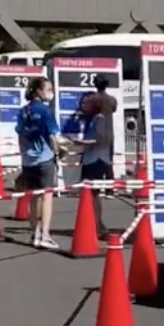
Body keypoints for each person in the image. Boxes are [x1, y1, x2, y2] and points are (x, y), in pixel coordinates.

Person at [16, 75, 61, 250]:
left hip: (28, 160)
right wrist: (60, 151)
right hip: (44, 158)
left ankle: (34, 232)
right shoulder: (45, 111)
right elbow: (53, 135)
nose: (51, 93)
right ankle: (45, 235)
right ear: (39, 91)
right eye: (48, 89)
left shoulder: (23, 111)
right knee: (47, 196)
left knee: (33, 197)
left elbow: (20, 133)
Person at [70, 91, 115, 238]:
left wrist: (80, 143)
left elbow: (100, 139)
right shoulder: (88, 119)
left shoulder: (99, 119)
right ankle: (95, 224)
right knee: (89, 193)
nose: (83, 106)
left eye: (86, 104)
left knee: (92, 193)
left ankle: (98, 225)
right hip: (91, 158)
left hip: (97, 159)